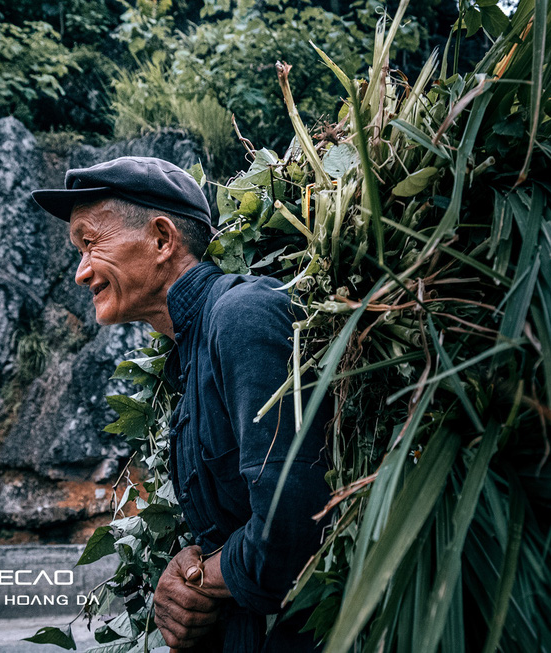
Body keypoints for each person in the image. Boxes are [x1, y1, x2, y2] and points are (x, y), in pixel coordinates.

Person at [32, 156, 331, 652]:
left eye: (90, 243)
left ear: (162, 239)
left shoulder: (241, 317)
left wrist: (197, 578)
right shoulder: (184, 358)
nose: (81, 273)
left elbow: (294, 527)